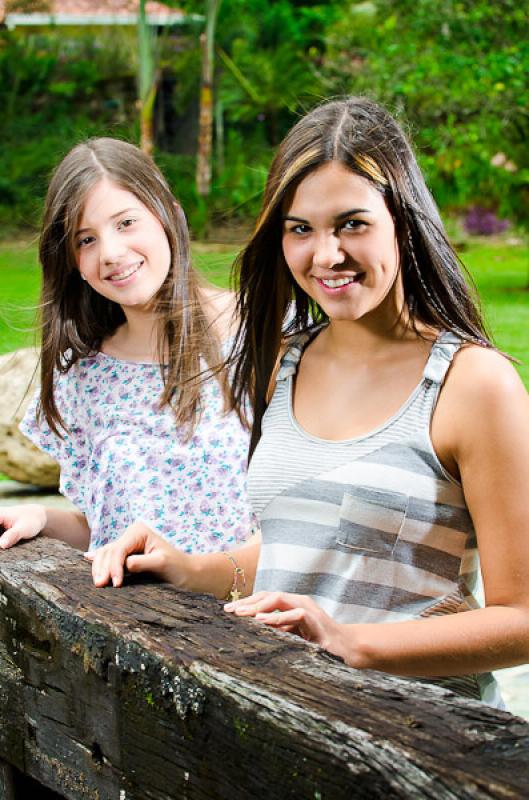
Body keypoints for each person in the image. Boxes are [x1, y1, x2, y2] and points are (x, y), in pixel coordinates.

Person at [85, 98, 529, 707]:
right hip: (296, 728)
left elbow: (522, 618)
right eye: (301, 229)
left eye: (352, 223)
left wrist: (353, 643)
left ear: (404, 220)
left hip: (429, 742)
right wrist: (188, 568)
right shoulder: (284, 364)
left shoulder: (474, 384)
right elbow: (309, 546)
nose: (326, 256)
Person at [0, 137, 254, 558]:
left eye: (126, 223)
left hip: (246, 614)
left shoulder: (262, 335)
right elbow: (102, 524)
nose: (111, 253)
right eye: (86, 240)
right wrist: (43, 517)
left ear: (170, 217)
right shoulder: (83, 374)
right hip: (126, 619)